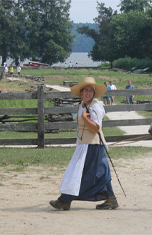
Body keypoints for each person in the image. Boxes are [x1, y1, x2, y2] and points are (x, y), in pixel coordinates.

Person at [49, 77, 119, 210]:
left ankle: (65, 200)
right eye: (85, 90)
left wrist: (85, 119)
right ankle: (111, 198)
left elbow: (96, 128)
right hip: (84, 145)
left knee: (81, 173)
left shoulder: (96, 107)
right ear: (81, 92)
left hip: (93, 145)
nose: (87, 93)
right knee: (100, 172)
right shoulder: (82, 105)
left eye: (90, 91)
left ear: (93, 93)